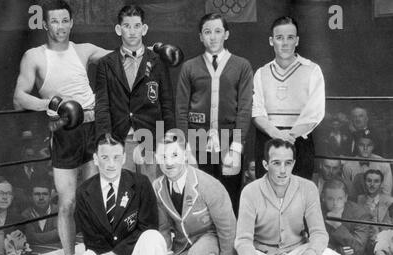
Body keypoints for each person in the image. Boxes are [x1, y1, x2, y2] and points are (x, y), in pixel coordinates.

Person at [12, 0, 112, 255]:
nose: (59, 27)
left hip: (93, 129)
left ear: (71, 23)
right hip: (64, 132)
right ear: (45, 24)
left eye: (64, 21)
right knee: (67, 201)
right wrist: (51, 104)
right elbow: (19, 97)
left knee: (94, 199)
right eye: (54, 21)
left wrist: (150, 50)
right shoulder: (35, 56)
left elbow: (124, 56)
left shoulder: (84, 50)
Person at [223, 139, 341, 255]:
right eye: (276, 163)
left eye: (288, 163)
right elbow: (242, 241)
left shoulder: (308, 188)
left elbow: (319, 233)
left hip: (296, 252)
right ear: (265, 165)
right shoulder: (250, 192)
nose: (283, 170)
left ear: (294, 163)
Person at [70, 134, 167, 255]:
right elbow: (92, 239)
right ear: (95, 158)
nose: (110, 164)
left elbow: (148, 226)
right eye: (105, 157)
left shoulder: (141, 183)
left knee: (153, 238)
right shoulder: (84, 191)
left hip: (135, 248)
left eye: (116, 157)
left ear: (123, 158)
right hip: (105, 251)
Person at [176, 13, 253, 215]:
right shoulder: (189, 67)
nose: (213, 37)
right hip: (197, 141)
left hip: (229, 140)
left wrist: (236, 146)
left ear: (226, 34)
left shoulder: (242, 66)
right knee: (198, 196)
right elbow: (181, 110)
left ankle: (229, 244)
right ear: (200, 36)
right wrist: (186, 147)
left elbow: (244, 109)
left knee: (229, 196)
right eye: (207, 32)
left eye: (218, 31)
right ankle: (202, 242)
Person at [95, 4, 175, 183]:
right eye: (127, 26)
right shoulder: (106, 64)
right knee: (123, 195)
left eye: (137, 26)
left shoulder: (158, 62)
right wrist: (105, 139)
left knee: (153, 192)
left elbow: (167, 103)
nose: (132, 31)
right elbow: (102, 105)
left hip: (152, 139)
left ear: (144, 29)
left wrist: (169, 136)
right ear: (118, 29)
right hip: (119, 139)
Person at [153, 133, 236, 255]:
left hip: (210, 242)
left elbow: (228, 227)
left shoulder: (209, 185)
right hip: (183, 247)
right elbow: (162, 229)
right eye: (163, 156)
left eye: (175, 155)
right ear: (156, 158)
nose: (169, 162)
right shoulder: (157, 187)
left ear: (185, 155)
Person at [252, 16, 325, 180]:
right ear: (271, 41)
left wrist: (289, 136)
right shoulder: (261, 73)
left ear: (297, 40)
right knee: (266, 195)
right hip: (268, 140)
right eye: (279, 38)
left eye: (290, 37)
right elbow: (256, 111)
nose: (285, 43)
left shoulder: (312, 70)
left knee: (298, 196)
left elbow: (315, 113)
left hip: (299, 142)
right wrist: (276, 133)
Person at [321, 179, 370, 255]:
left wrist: (338, 226)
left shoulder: (360, 214)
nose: (335, 203)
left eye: (339, 198)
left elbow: (358, 250)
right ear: (323, 198)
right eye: (330, 199)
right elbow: (310, 242)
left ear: (346, 198)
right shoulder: (317, 210)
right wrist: (338, 251)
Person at [357, 169, 393, 255]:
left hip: (386, 247)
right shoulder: (358, 200)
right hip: (363, 247)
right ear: (364, 182)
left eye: (376, 181)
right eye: (369, 181)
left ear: (381, 183)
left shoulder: (391, 202)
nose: (372, 184)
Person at [21, 174, 59, 245]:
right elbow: (30, 237)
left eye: (45, 194)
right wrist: (55, 234)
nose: (41, 197)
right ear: (31, 197)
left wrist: (36, 237)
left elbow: (60, 233)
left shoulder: (57, 211)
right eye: (37, 194)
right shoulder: (26, 214)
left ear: (50, 196)